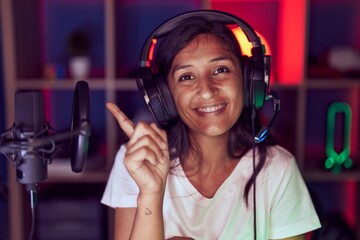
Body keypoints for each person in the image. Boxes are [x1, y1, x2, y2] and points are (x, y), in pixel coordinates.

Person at [101, 10, 321, 240]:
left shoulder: (278, 169)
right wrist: (150, 194)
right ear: (164, 96)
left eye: (221, 70)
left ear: (248, 81)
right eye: (186, 77)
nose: (206, 90)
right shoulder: (139, 160)